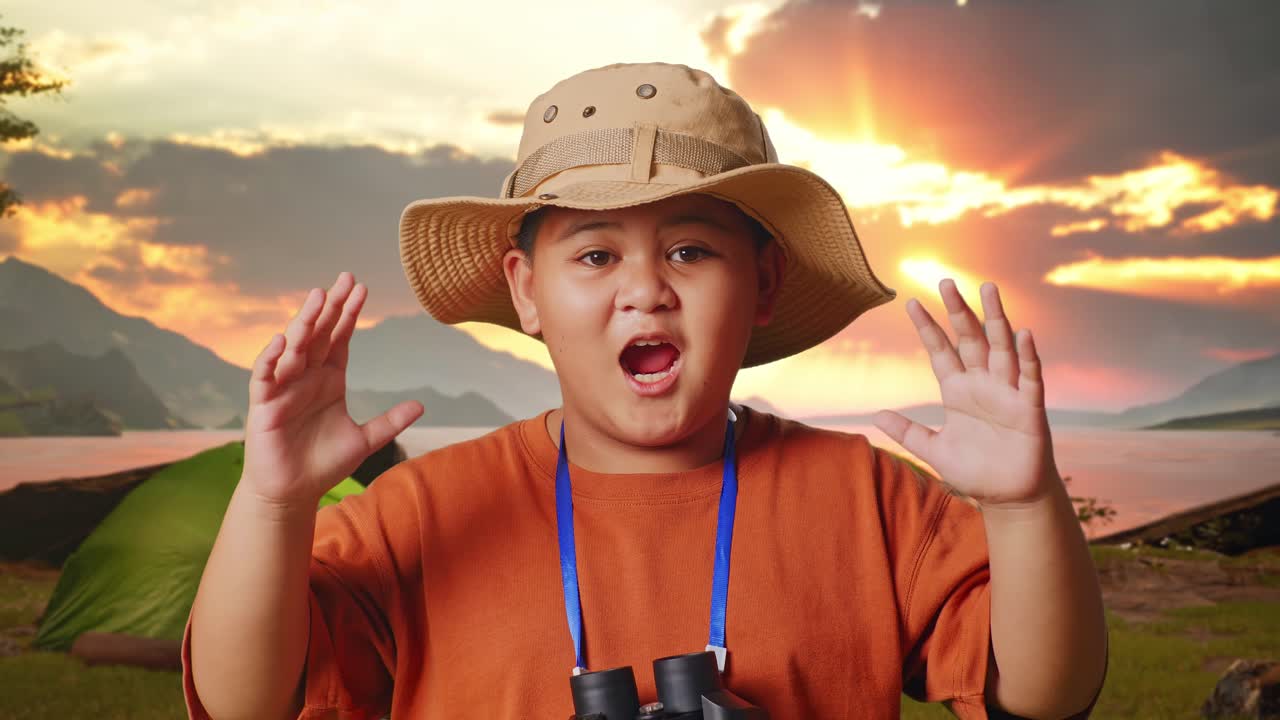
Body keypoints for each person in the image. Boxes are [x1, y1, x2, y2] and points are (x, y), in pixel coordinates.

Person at [182, 62, 1108, 720]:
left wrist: (1026, 507)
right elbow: (243, 701)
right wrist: (273, 501)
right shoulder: (421, 512)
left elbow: (1045, 693)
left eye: (691, 249)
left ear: (765, 286)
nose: (645, 287)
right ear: (526, 291)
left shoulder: (867, 501)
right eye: (594, 252)